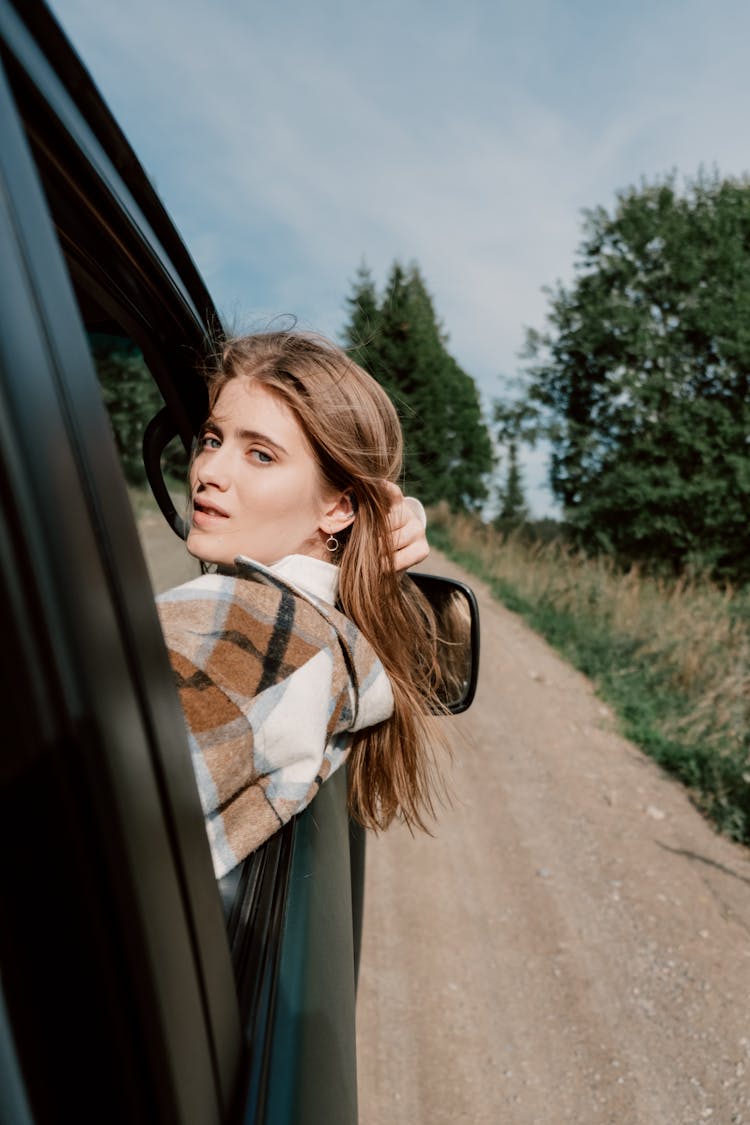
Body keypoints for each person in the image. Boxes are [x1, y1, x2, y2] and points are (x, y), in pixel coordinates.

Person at [156, 330, 446, 878]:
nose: (208, 472)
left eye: (260, 455)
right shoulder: (322, 634)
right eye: (214, 439)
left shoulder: (253, 632)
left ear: (339, 508)